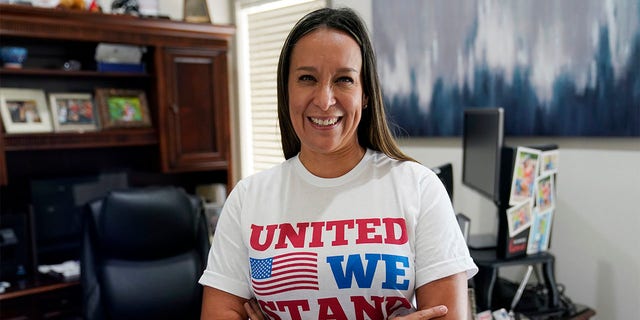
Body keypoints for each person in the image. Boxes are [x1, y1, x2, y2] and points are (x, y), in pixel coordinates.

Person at [199, 7, 477, 319]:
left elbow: (448, 314)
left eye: (344, 79)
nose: (324, 99)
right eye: (307, 78)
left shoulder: (419, 187)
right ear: (286, 90)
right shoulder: (248, 198)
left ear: (366, 93)